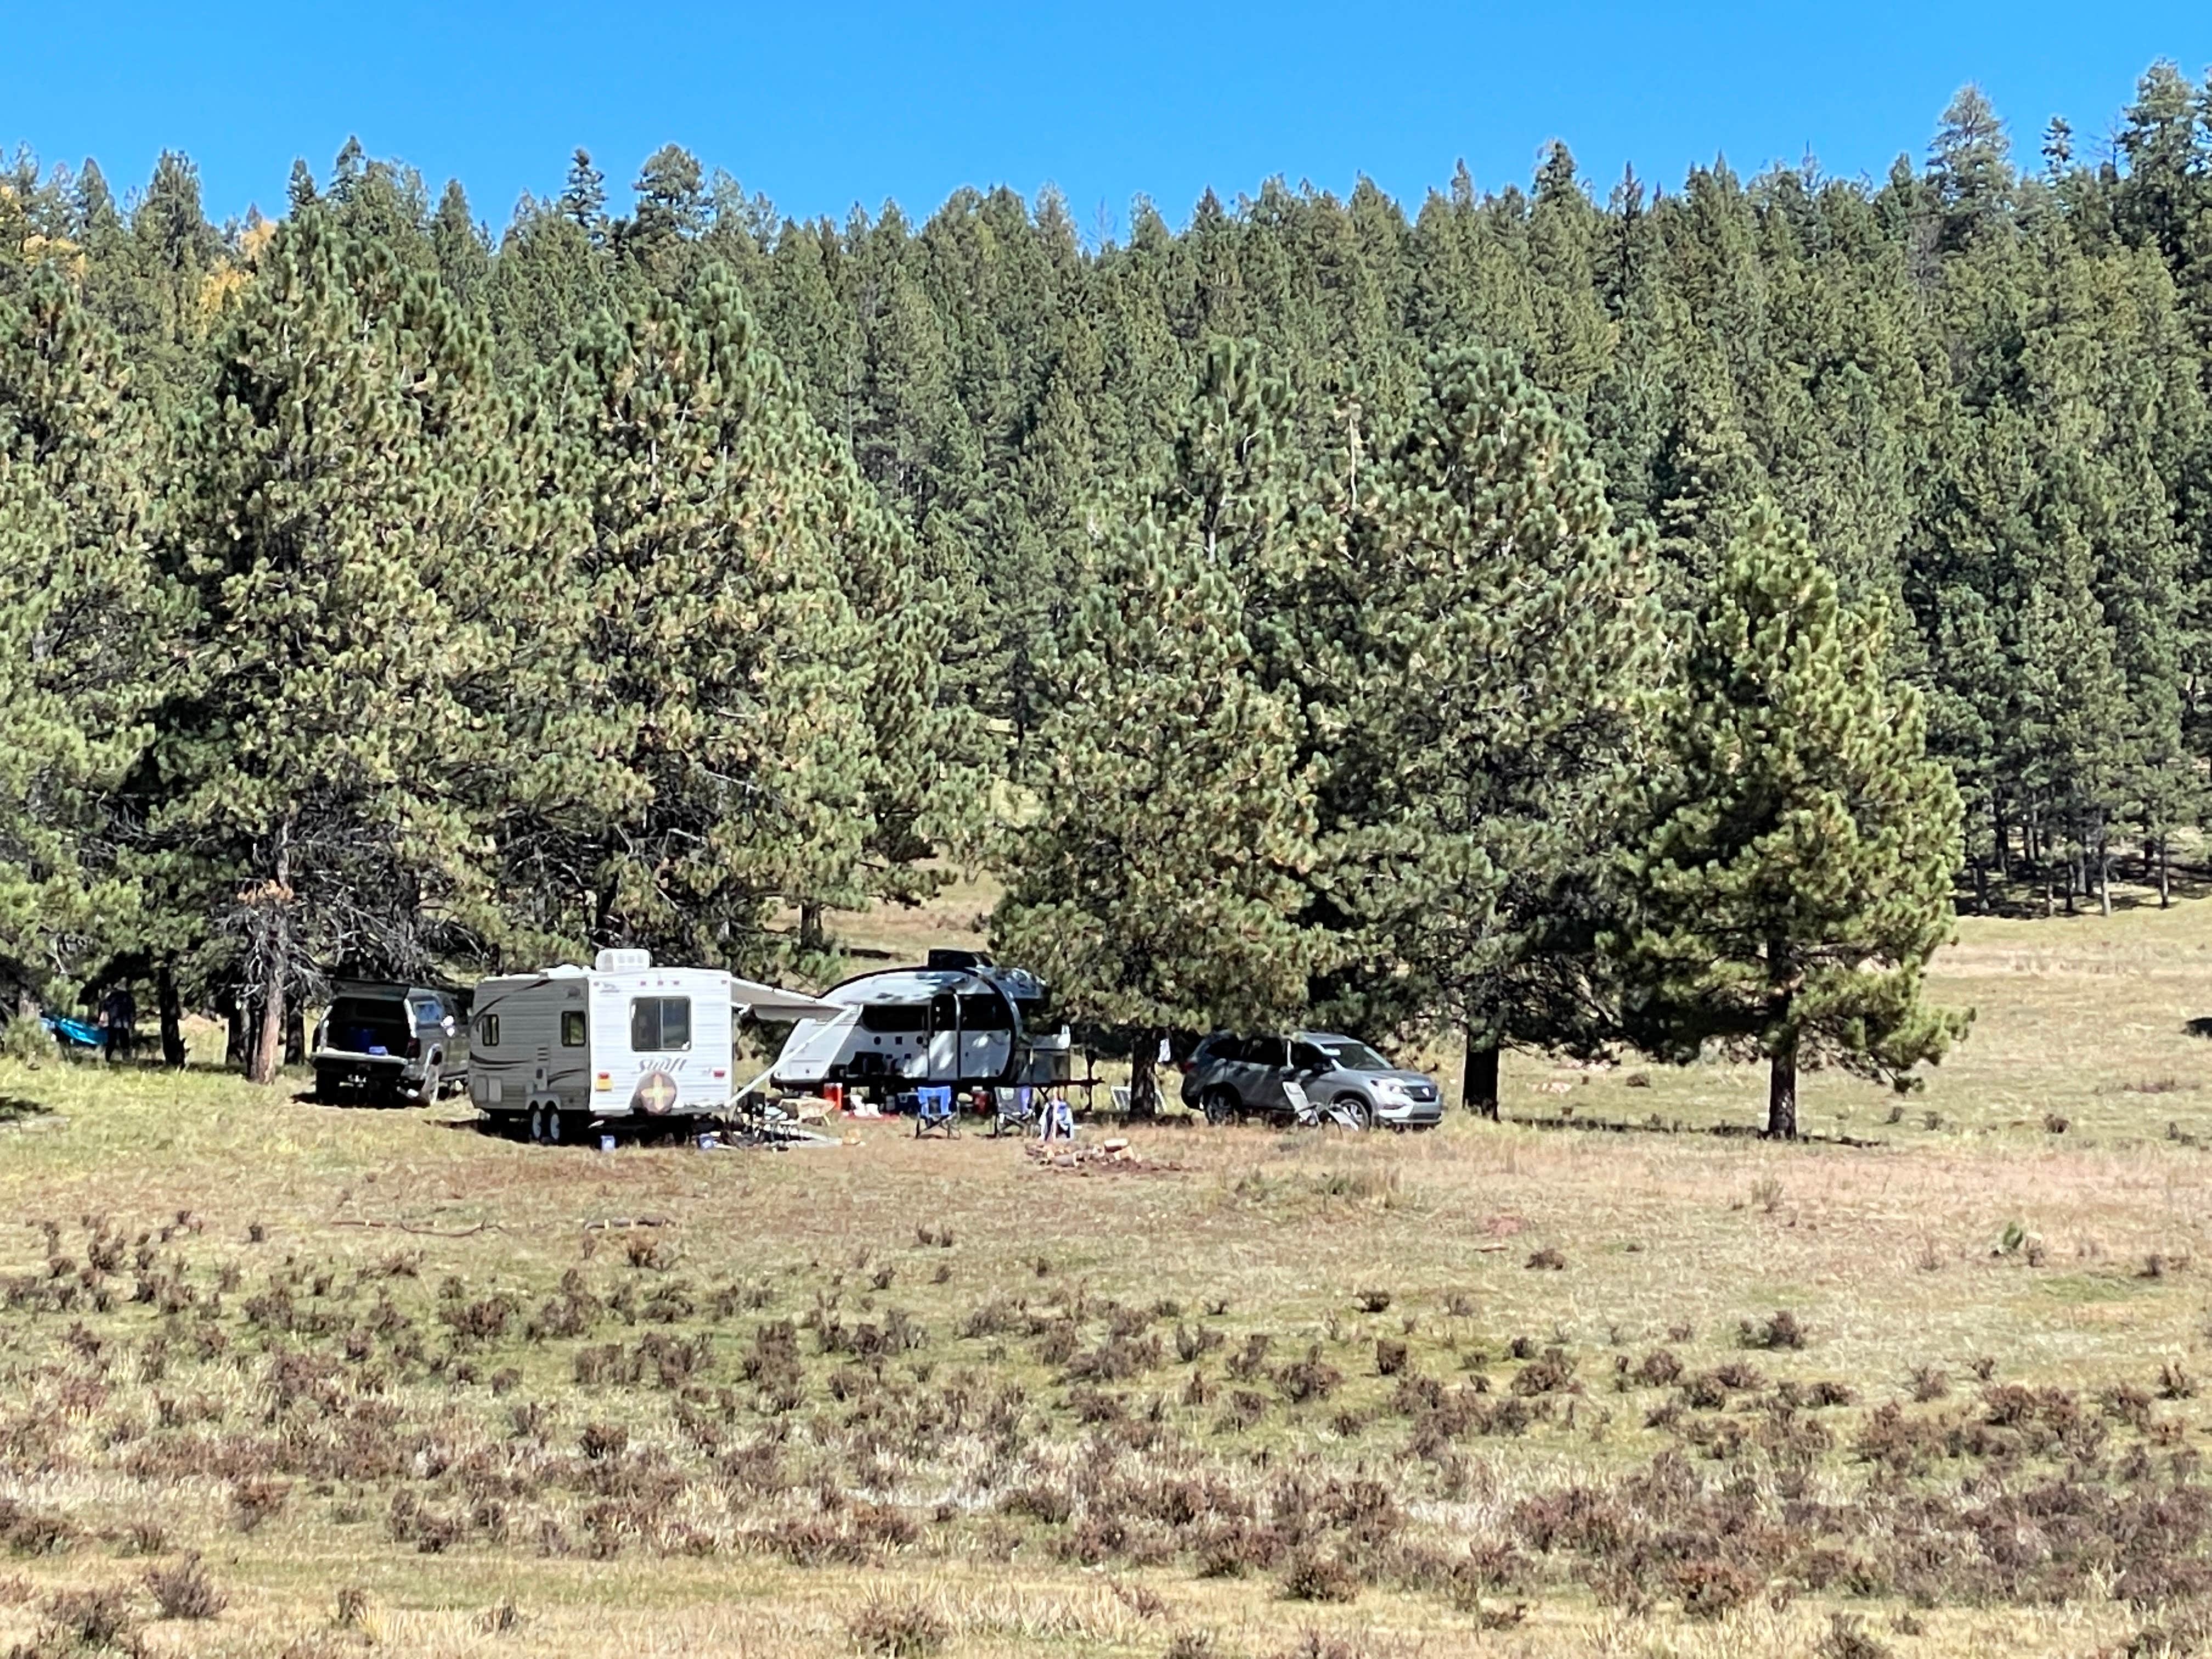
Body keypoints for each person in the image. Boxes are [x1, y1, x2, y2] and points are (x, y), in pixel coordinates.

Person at [101, 983, 137, 1064]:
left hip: (113, 1023)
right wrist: (132, 1023)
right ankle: (126, 1059)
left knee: (111, 1042)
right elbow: (133, 1011)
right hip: (125, 1023)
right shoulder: (129, 997)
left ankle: (108, 1059)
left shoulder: (112, 996)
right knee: (125, 1042)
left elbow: (105, 1007)